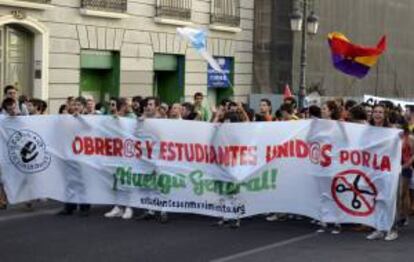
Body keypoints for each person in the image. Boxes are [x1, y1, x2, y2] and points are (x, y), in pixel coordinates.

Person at [57, 97, 91, 217]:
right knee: (69, 180)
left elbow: (90, 129)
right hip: (69, 153)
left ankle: (84, 206)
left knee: (82, 181)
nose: (76, 107)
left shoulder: (88, 118)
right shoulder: (68, 119)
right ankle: (69, 206)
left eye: (78, 105)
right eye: (74, 105)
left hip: (83, 154)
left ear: (83, 107)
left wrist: (80, 118)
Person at [104, 97, 136, 220]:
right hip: (116, 152)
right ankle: (118, 207)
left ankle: (129, 207)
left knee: (127, 180)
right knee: (116, 180)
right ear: (122, 106)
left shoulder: (132, 117)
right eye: (127, 104)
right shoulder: (113, 117)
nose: (130, 106)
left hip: (128, 153)